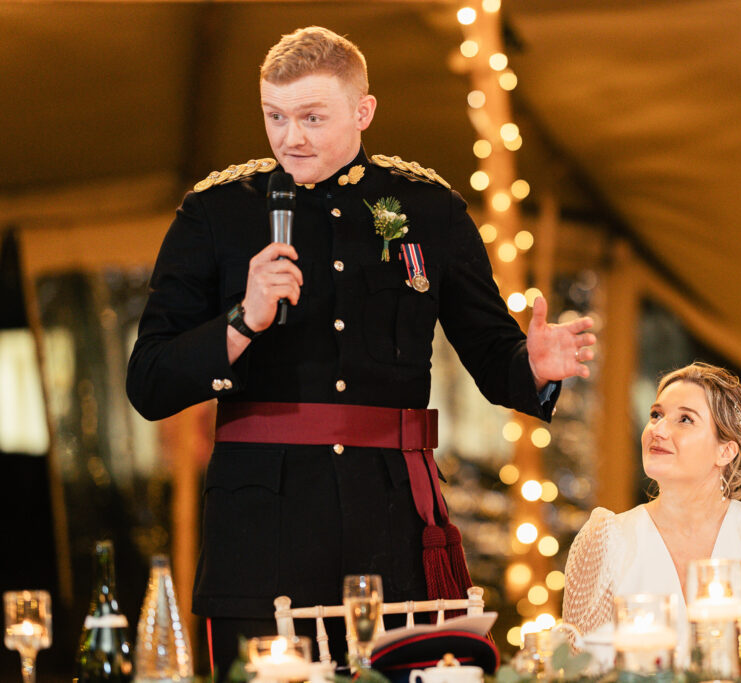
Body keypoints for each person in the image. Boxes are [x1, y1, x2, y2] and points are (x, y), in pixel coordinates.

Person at [126, 26, 595, 678]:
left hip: (394, 538)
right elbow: (148, 382)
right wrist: (242, 320)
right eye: (276, 116)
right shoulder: (215, 214)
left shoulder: (428, 209)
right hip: (263, 543)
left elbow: (493, 357)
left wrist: (532, 366)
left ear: (363, 111)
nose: (291, 137)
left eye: (312, 117)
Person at [562, 362, 741, 667]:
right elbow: (578, 669)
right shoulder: (606, 538)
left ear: (725, 451)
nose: (659, 429)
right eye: (656, 415)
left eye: (684, 419)